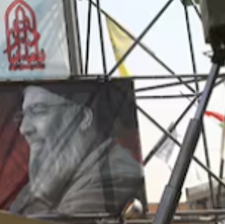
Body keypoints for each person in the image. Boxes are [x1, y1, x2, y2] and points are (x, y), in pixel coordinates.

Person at [8, 86, 145, 219]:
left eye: (38, 111)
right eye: (23, 115)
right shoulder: (48, 180)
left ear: (84, 117)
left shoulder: (114, 177)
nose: (24, 128)